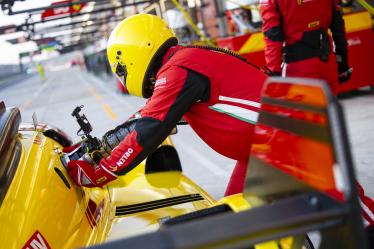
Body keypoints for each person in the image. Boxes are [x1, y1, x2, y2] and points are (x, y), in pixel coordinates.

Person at [66, 13, 267, 196]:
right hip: (265, 147)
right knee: (236, 213)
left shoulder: (178, 70)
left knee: (245, 222)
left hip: (277, 146)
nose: (123, 77)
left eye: (122, 70)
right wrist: (102, 147)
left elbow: (149, 129)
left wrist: (101, 172)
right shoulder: (182, 61)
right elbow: (148, 116)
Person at [260, 0, 374, 235]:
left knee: (309, 147)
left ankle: (360, 213)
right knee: (323, 141)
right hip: (326, 64)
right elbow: (338, 22)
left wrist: (272, 73)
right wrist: (342, 60)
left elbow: (272, 32)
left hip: (298, 69)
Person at [260, 0, 352, 94]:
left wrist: (274, 75)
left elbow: (272, 37)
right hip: (327, 64)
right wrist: (342, 62)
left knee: (303, 108)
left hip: (298, 70)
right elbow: (338, 26)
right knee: (328, 108)